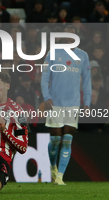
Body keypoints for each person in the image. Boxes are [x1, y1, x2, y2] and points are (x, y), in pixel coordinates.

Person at [41, 26, 91, 185]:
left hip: (73, 104)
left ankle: (60, 176)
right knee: (55, 139)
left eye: (73, 35)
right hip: (55, 103)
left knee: (68, 138)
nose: (70, 38)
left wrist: (87, 103)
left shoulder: (83, 56)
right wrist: (46, 96)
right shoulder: (53, 53)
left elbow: (87, 81)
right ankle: (53, 166)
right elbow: (44, 77)